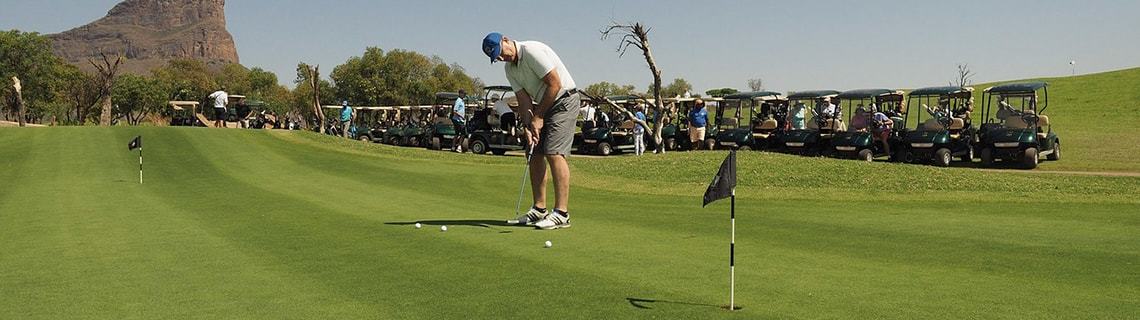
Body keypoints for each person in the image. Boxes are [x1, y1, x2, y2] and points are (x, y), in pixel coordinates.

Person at [484, 32, 578, 230]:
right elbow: (524, 100)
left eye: (501, 52)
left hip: (564, 100)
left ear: (506, 40)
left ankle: (562, 213)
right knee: (533, 151)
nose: (502, 58)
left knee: (554, 152)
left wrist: (539, 117)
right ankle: (539, 208)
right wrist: (528, 126)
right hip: (544, 103)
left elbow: (555, 83)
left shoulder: (531, 51)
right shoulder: (510, 69)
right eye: (497, 57)